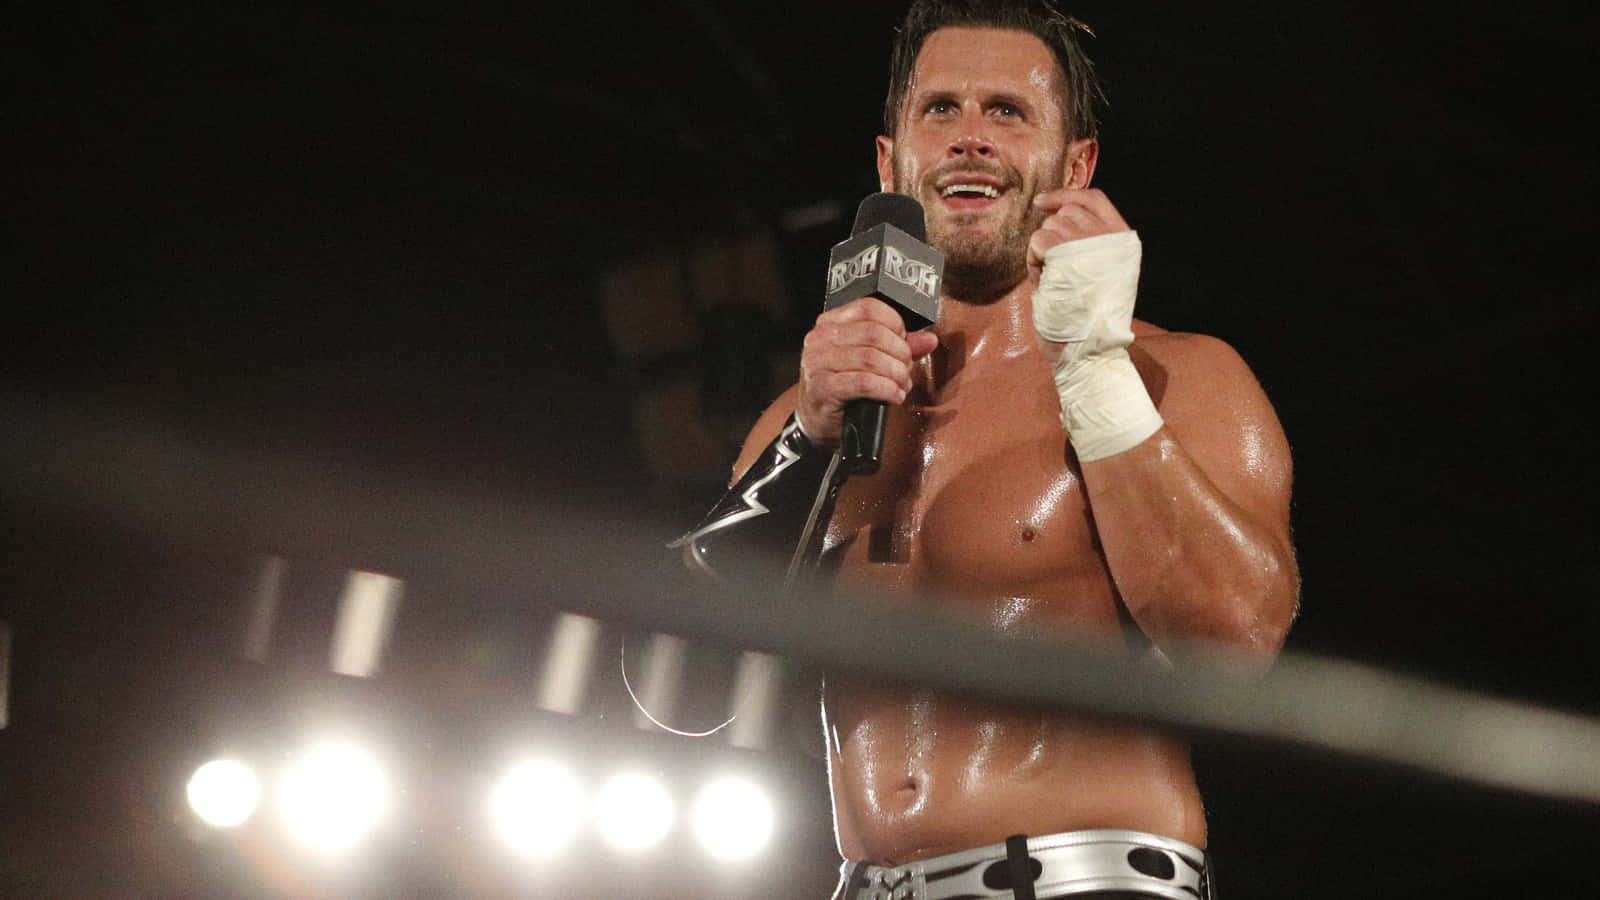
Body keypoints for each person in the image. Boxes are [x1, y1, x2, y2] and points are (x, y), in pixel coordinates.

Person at [679, 1, 1298, 896]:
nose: (970, 137)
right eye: (941, 109)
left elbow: (1235, 650)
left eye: (1007, 111)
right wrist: (806, 438)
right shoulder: (813, 411)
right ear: (890, 161)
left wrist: (1094, 370)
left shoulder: (1177, 374)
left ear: (1075, 165)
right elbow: (680, 691)